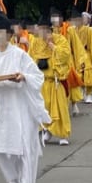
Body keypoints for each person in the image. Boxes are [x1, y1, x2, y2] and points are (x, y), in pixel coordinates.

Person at [0, 14, 51, 183]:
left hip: (19, 105)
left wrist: (23, 77)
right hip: (1, 106)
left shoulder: (20, 55)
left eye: (2, 32)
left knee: (23, 146)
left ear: (9, 35)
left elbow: (37, 76)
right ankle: (13, 178)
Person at [31, 18, 71, 146]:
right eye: (40, 29)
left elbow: (65, 55)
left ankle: (63, 134)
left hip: (55, 82)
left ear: (50, 30)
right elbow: (29, 59)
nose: (42, 32)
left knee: (60, 109)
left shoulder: (59, 39)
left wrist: (52, 46)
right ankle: (47, 130)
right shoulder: (35, 42)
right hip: (42, 82)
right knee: (44, 108)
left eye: (45, 30)